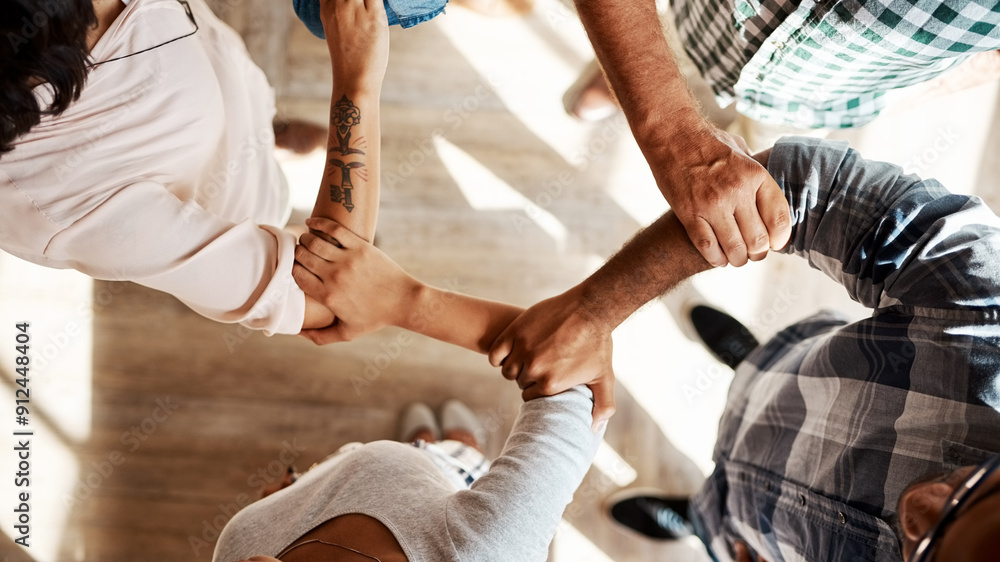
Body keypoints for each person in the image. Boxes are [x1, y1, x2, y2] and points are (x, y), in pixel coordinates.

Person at [297, 136, 1000, 559]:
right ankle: (746, 357)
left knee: (718, 522)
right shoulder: (987, 320)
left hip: (759, 538)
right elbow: (799, 186)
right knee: (768, 369)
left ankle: (703, 520)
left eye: (928, 554)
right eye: (979, 494)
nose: (919, 508)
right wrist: (589, 311)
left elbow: (562, 385)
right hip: (806, 377)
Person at [0, 0, 395, 339]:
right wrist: (357, 82)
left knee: (237, 118)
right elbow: (325, 299)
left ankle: (264, 136)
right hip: (233, 205)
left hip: (221, 87)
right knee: (278, 220)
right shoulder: (59, 197)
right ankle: (278, 234)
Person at [564, 0, 1000, 270]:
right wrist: (668, 132)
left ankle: (631, 80)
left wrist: (890, 94)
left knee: (749, 177)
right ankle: (621, 79)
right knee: (665, 51)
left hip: (826, 92)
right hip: (708, 19)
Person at [211, 377, 602, 561]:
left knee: (383, 458)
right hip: (454, 477)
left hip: (355, 467)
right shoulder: (484, 547)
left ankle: (421, 443)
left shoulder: (235, 554)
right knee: (458, 458)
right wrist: (412, 305)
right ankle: (460, 445)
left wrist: (290, 495)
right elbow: (571, 382)